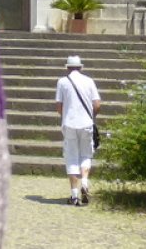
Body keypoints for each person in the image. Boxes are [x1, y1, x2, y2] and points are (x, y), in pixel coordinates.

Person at [55, 54, 102, 206]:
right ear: (81, 67)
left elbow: (59, 107)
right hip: (86, 123)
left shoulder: (62, 82)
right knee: (86, 155)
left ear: (67, 68)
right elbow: (97, 104)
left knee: (71, 157)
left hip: (69, 124)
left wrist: (67, 115)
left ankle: (74, 195)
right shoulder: (89, 81)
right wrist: (90, 116)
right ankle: (85, 183)